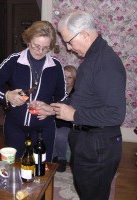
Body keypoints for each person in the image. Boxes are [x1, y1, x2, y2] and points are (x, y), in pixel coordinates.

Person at [34, 10, 126, 200]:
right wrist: (52, 109)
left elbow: (116, 114)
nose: (68, 48)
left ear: (85, 34)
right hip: (88, 143)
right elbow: (81, 99)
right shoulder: (91, 59)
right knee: (85, 190)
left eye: (69, 41)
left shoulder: (105, 63)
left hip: (98, 147)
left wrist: (74, 116)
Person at [0, 21, 66, 162]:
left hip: (44, 130)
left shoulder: (55, 66)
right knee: (14, 168)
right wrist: (7, 95)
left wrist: (51, 110)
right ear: (28, 41)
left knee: (42, 170)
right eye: (36, 46)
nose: (40, 52)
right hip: (15, 127)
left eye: (45, 48)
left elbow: (63, 97)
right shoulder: (13, 61)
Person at [53, 65, 76, 172]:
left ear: (74, 79)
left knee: (60, 135)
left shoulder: (77, 93)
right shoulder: (56, 89)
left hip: (68, 123)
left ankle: (61, 159)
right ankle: (53, 157)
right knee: (48, 132)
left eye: (69, 77)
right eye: (64, 76)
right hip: (53, 120)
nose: (66, 80)